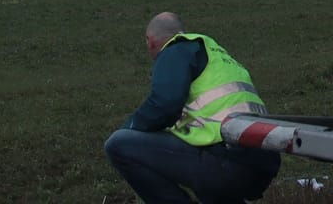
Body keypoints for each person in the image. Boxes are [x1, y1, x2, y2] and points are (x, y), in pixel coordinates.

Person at [105, 12, 281, 204]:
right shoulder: (215, 54)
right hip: (260, 161)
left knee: (119, 144)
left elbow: (164, 104)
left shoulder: (177, 49)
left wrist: (129, 126)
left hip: (226, 158)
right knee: (208, 184)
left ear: (150, 41)